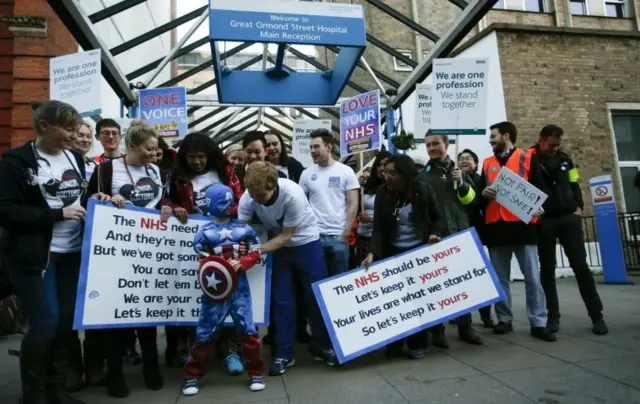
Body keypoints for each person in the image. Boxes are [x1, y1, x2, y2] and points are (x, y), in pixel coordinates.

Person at [0, 100, 108, 404]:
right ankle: (34, 395)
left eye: (76, 130)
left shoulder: (75, 159)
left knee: (65, 323)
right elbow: (6, 210)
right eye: (68, 129)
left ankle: (56, 388)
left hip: (72, 254)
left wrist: (94, 198)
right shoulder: (17, 162)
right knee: (45, 322)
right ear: (44, 126)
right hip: (37, 257)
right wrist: (56, 215)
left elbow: (79, 198)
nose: (74, 137)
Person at [86, 120, 165, 397]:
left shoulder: (155, 170)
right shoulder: (106, 169)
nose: (153, 155)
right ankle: (116, 374)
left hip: (149, 251)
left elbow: (160, 201)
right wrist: (105, 198)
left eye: (156, 150)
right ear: (131, 147)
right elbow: (90, 202)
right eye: (148, 149)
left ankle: (151, 367)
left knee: (146, 312)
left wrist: (168, 207)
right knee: (116, 315)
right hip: (117, 255)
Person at [239, 162, 338, 375]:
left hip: (306, 243)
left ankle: (323, 347)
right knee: (281, 301)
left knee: (315, 297)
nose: (255, 199)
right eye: (252, 194)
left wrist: (255, 252)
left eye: (261, 196)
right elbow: (242, 230)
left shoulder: (293, 194)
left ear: (273, 185)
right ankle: (284, 353)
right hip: (278, 248)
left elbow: (287, 235)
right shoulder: (249, 196)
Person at [161, 132, 245, 375]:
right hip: (194, 246)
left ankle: (231, 350)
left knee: (228, 295)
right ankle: (198, 353)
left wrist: (226, 214)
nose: (197, 162)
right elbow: (171, 199)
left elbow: (239, 199)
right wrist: (173, 206)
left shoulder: (224, 172)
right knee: (196, 300)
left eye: (201, 157)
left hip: (226, 243)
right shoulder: (178, 177)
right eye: (192, 158)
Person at [182, 183, 266, 396]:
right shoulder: (204, 232)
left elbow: (257, 250)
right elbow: (201, 258)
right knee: (205, 332)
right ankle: (192, 375)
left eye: (230, 202)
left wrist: (245, 261)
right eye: (224, 202)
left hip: (240, 288)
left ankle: (256, 372)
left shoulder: (244, 229)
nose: (229, 206)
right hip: (215, 290)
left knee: (248, 330)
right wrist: (215, 264)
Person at [361, 154, 444, 359]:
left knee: (417, 299)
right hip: (392, 252)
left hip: (418, 252)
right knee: (394, 300)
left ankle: (418, 343)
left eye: (392, 173)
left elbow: (438, 218)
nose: (386, 177)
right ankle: (395, 343)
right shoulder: (382, 193)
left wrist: (435, 234)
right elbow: (379, 228)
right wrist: (372, 253)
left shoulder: (423, 190)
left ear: (405, 175)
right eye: (385, 172)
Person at [479, 121, 556, 342]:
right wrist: (483, 192)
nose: (490, 140)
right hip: (496, 227)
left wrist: (542, 207)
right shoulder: (486, 163)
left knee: (532, 278)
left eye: (493, 136)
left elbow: (541, 187)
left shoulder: (527, 156)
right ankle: (504, 319)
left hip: (523, 227)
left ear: (506, 136)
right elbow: (481, 193)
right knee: (500, 279)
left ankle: (538, 322)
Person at [533, 125, 607, 335]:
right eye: (551, 144)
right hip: (545, 220)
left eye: (558, 144)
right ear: (541, 140)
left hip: (568, 218)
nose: (555, 148)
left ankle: (596, 316)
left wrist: (579, 206)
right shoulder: (531, 158)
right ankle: (553, 316)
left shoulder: (566, 159)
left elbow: (574, 184)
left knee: (581, 267)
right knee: (547, 269)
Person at [419, 133, 483, 348]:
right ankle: (438, 330)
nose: (431, 148)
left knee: (462, 282)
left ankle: (466, 327)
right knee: (437, 284)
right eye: (428, 145)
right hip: (436, 237)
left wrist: (462, 184)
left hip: (460, 232)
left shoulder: (460, 171)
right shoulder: (423, 177)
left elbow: (472, 202)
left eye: (435, 144)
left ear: (446, 144)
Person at [299, 129, 360, 276]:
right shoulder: (306, 174)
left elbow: (353, 204)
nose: (312, 151)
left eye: (316, 147)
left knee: (339, 285)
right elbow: (300, 205)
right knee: (316, 282)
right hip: (314, 237)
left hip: (338, 238)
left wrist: (344, 234)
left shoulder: (346, 171)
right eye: (311, 147)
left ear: (329, 147)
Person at [458, 148, 495, 328]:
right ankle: (461, 315)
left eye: (468, 158)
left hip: (477, 231)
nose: (464, 161)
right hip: (458, 231)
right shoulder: (453, 181)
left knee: (480, 275)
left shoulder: (482, 181)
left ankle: (486, 314)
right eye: (461, 158)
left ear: (475, 162)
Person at [356, 152, 390, 264]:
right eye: (379, 165)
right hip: (363, 236)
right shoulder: (365, 186)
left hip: (382, 238)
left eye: (385, 165)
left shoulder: (392, 187)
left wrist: (372, 220)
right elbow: (356, 209)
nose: (381, 168)